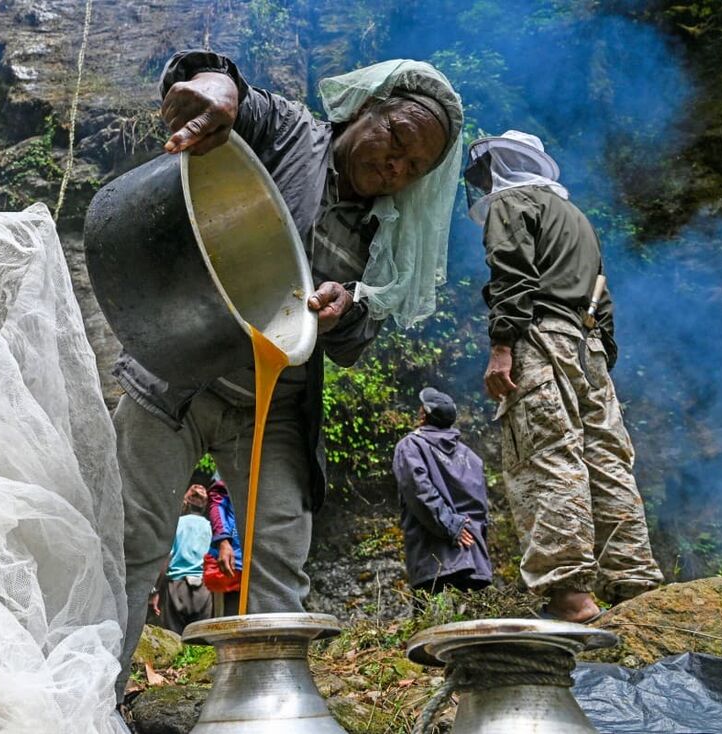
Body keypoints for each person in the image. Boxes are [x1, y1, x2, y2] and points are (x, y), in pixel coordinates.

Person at [111, 50, 463, 687]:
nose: (395, 166)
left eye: (414, 167)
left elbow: (355, 343)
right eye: (398, 140)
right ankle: (90, 704)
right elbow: (226, 91)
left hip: (273, 409)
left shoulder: (387, 234)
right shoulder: (291, 133)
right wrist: (213, 87)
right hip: (177, 378)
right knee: (132, 548)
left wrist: (349, 304)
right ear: (366, 109)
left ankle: (266, 711)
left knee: (278, 560)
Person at [466, 129, 663, 623]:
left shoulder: (511, 203)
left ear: (503, 165)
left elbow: (512, 274)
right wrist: (600, 356)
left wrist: (502, 346)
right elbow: (604, 293)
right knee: (607, 458)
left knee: (547, 456)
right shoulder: (576, 217)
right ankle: (634, 584)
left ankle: (571, 597)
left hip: (540, 337)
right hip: (589, 344)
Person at [393, 387, 492, 596]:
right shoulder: (471, 457)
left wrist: (451, 526)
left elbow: (420, 492)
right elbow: (481, 510)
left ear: (423, 415)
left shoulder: (410, 446)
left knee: (432, 625)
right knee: (471, 625)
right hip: (474, 561)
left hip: (435, 562)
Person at [150, 483, 213, 635]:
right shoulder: (211, 527)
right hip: (204, 589)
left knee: (175, 638)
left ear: (185, 502)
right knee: (201, 641)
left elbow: (167, 557)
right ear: (205, 505)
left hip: (176, 588)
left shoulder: (177, 525)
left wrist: (156, 590)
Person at [204, 475, 242, 616]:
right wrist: (223, 541)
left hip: (260, 564)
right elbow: (217, 500)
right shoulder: (234, 462)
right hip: (234, 564)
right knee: (227, 621)